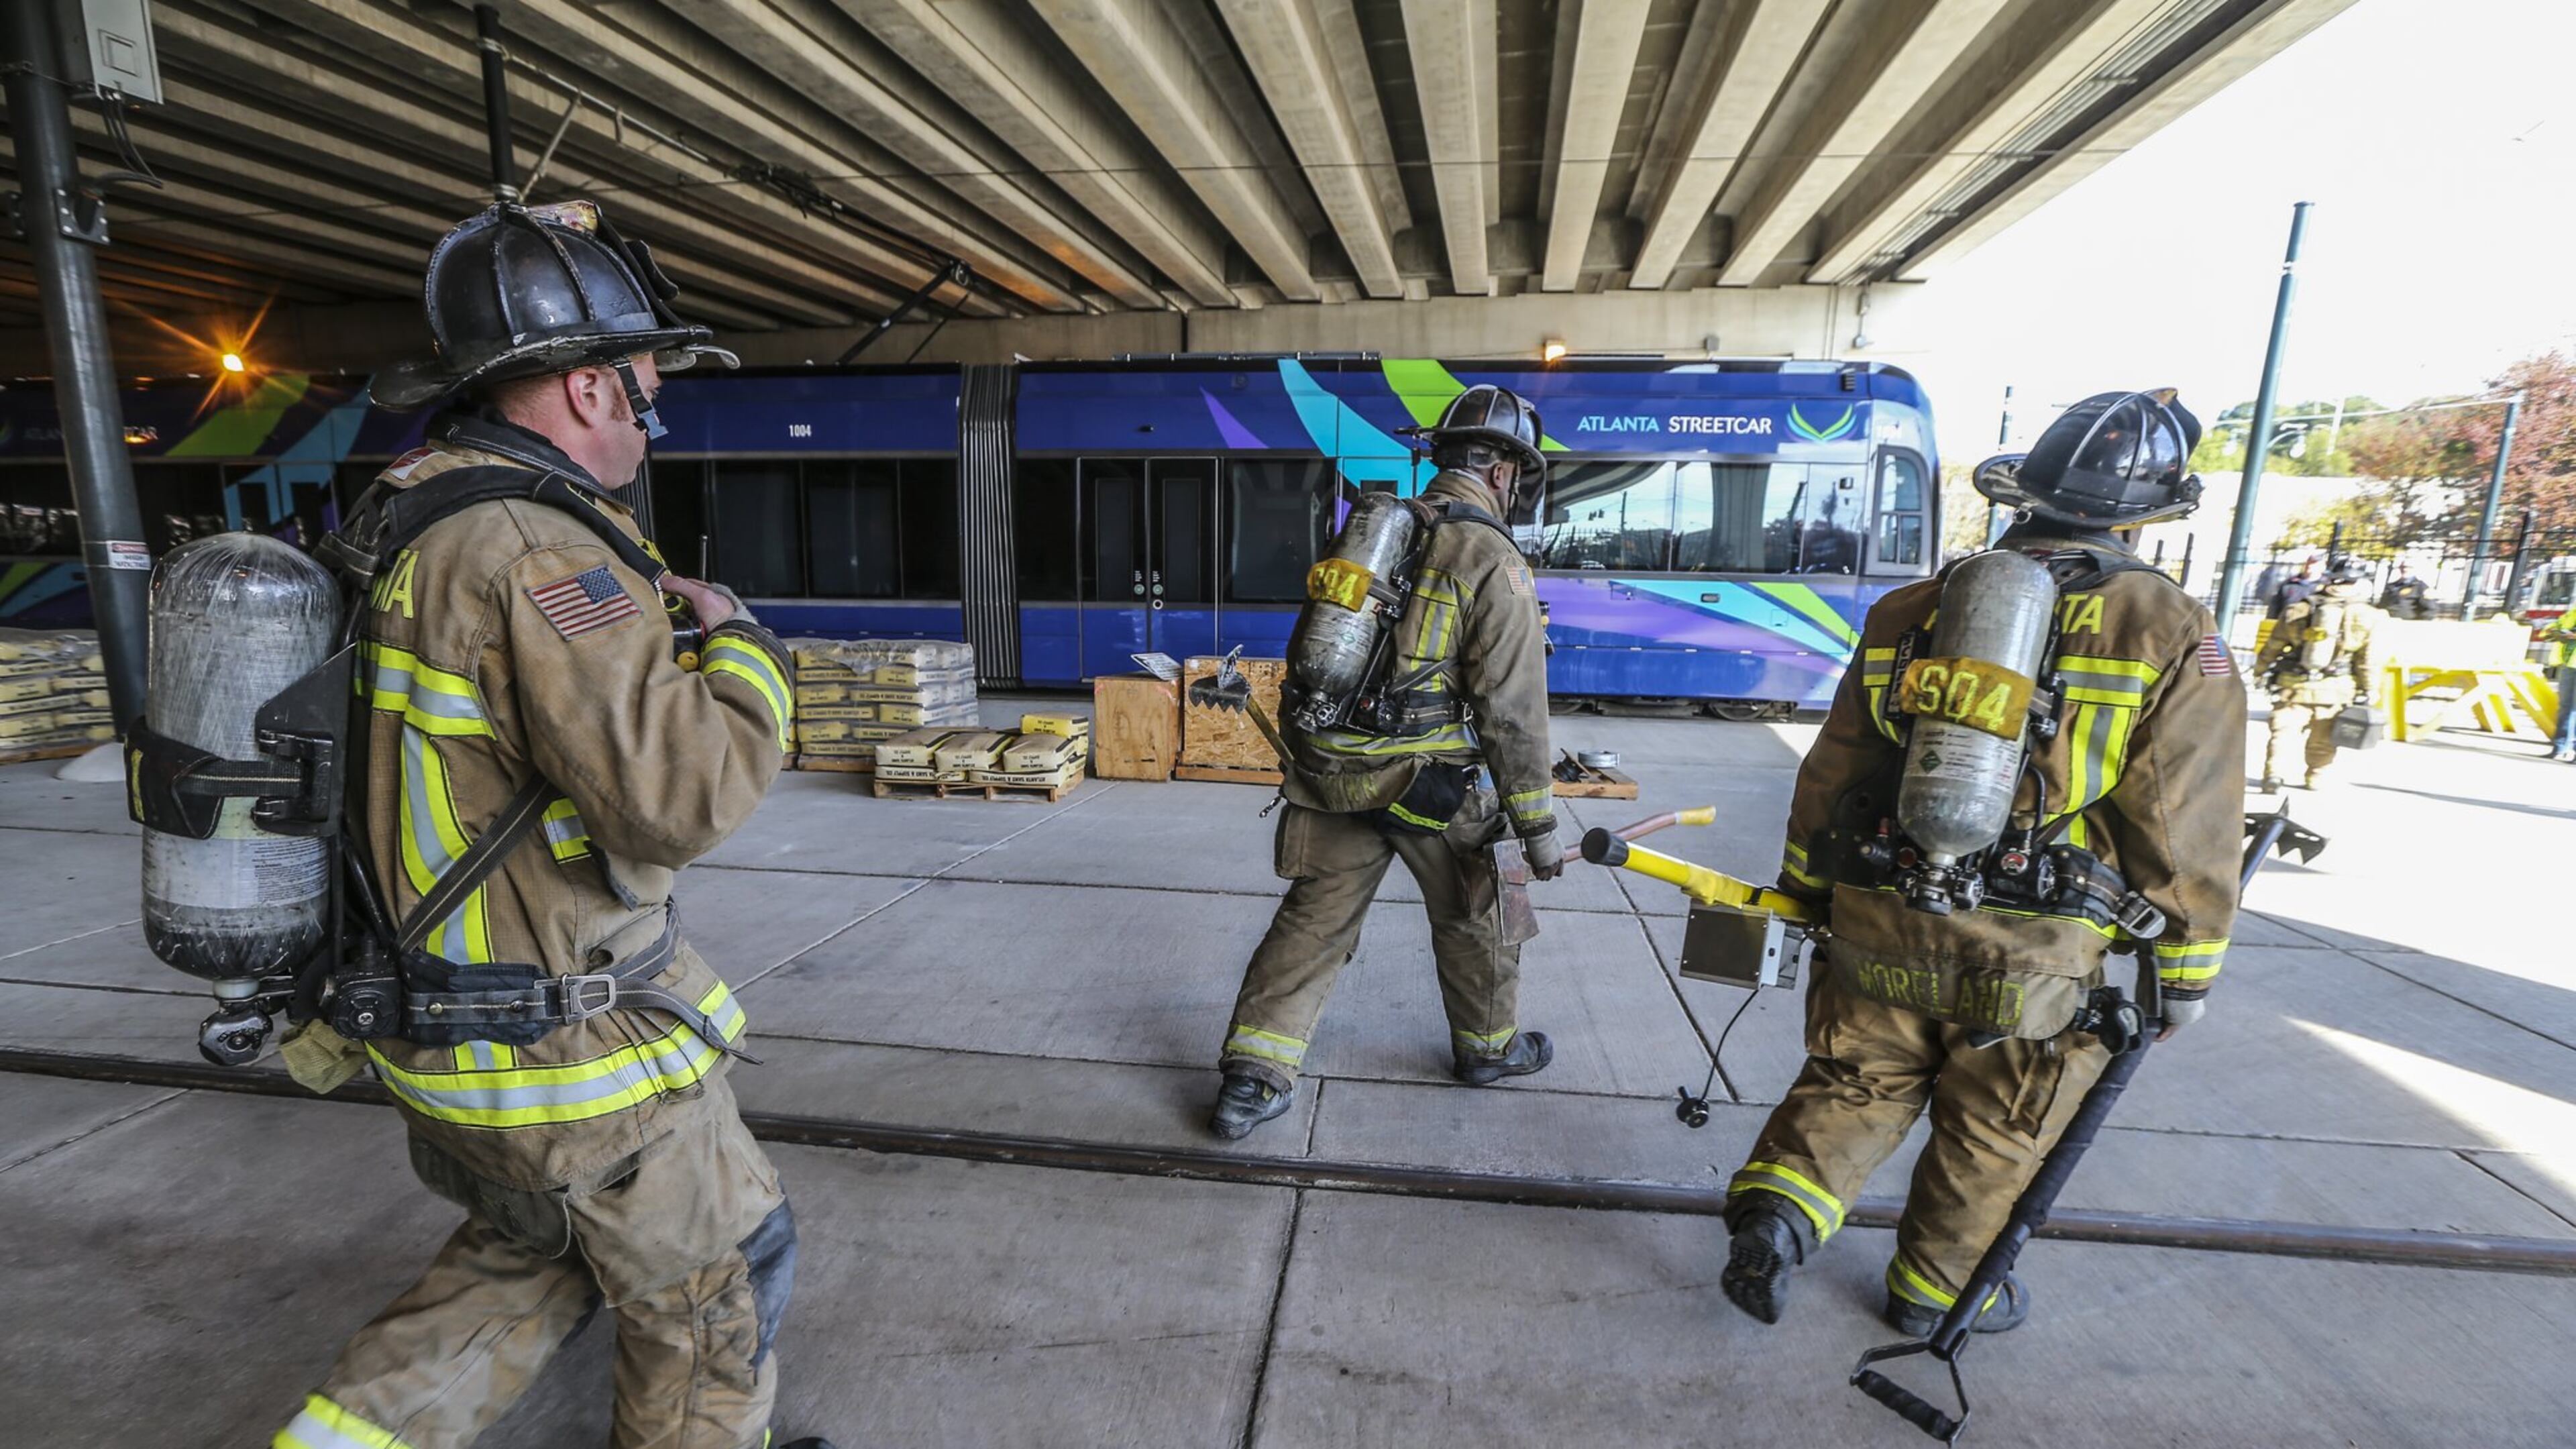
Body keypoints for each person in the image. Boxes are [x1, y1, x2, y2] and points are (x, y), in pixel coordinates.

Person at [270, 201, 831, 1449]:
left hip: (432, 1030)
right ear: (585, 391)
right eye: (643, 395)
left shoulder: (398, 518)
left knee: (527, 1267)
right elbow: (679, 798)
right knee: (714, 1297)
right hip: (568, 1059)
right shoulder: (540, 553)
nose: (645, 421)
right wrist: (740, 648)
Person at [1719, 389, 2245, 1339]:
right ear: (2141, 515)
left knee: (1855, 1080)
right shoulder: (2166, 626)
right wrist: (2184, 972)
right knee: (1999, 1121)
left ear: (2026, 495)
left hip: (1880, 911)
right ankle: (1937, 1290)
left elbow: (1834, 772)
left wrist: (1805, 891)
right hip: (2033, 947)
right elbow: (2182, 820)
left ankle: (1779, 1213)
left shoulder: (1912, 609)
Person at [1210, 386, 1564, 1139]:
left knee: (1314, 920)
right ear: (1504, 473)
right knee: (1479, 914)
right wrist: (1538, 826)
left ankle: (1253, 1077)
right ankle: (1488, 1050)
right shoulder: (1491, 557)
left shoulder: (1373, 532)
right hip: (1425, 784)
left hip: (1332, 771)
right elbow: (1512, 708)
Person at [2255, 553, 2383, 790]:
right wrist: (2371, 689)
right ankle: (2316, 776)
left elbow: (2273, 645)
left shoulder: (2298, 609)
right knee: (2324, 738)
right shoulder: (2370, 616)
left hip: (2293, 684)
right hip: (2336, 689)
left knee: (2282, 732)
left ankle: (2274, 774)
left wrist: (2260, 670)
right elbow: (2368, 660)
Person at [2541, 612, 2576, 762]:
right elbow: (2555, 626)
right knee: (2565, 708)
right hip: (2569, 665)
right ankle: (2560, 748)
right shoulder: (2573, 613)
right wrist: (2551, 631)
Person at [2265, 551, 2323, 620]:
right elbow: (2274, 607)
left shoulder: (2326, 587)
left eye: (2314, 563)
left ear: (2323, 566)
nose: (2310, 566)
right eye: (2309, 562)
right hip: (2285, 625)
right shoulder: (2289, 584)